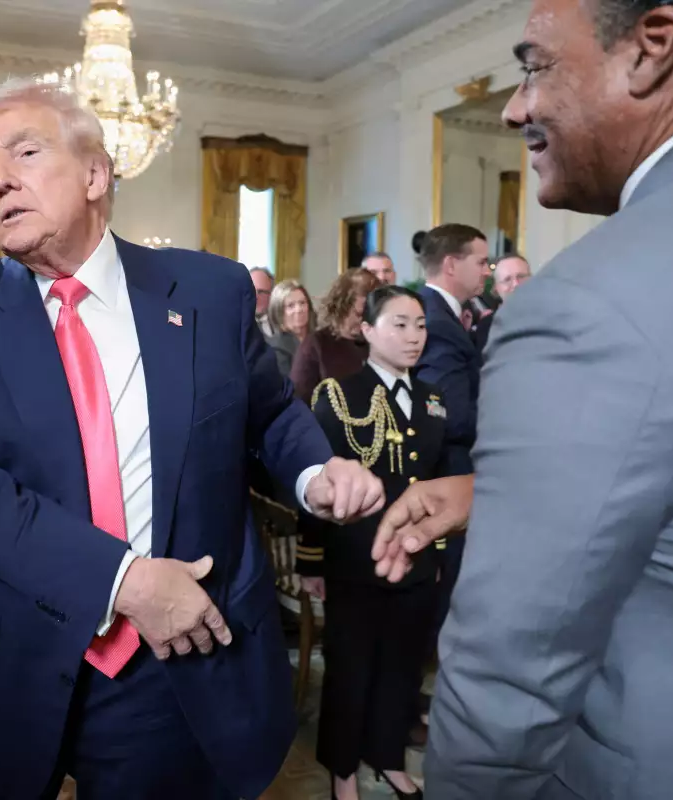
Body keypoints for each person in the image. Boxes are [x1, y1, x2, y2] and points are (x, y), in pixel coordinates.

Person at [0, 77, 386, 800]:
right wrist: (123, 581)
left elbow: (267, 415)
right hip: (29, 649)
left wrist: (317, 472)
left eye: (24, 152)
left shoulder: (207, 291)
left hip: (181, 656)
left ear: (96, 174)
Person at [373, 1, 673, 797]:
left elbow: (507, 685)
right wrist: (503, 495)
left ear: (652, 45)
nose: (516, 106)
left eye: (534, 66)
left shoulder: (585, 306)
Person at [298, 286, 444, 800]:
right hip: (356, 557)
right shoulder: (339, 395)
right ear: (367, 331)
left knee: (403, 666)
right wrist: (310, 558)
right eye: (399, 324)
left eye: (420, 325)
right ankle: (342, 772)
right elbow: (318, 484)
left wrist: (437, 552)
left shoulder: (433, 400)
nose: (413, 336)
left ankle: (388, 758)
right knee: (350, 667)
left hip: (416, 559)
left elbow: (439, 485)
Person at [411, 224, 489, 642]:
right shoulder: (437, 322)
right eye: (481, 261)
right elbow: (452, 416)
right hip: (450, 468)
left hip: (447, 465)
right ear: (451, 264)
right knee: (451, 584)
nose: (488, 271)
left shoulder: (440, 313)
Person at [290, 269, 380, 406]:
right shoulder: (316, 345)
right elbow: (298, 405)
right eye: (359, 314)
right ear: (341, 305)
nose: (365, 322)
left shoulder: (379, 343)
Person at [472, 254, 531, 350]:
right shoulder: (487, 326)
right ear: (496, 288)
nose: (516, 284)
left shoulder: (553, 317)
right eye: (507, 279)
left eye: (521, 276)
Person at [264, 279, 314, 377]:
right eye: (291, 305)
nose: (299, 309)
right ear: (279, 312)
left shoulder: (318, 341)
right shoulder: (275, 349)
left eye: (302, 303)